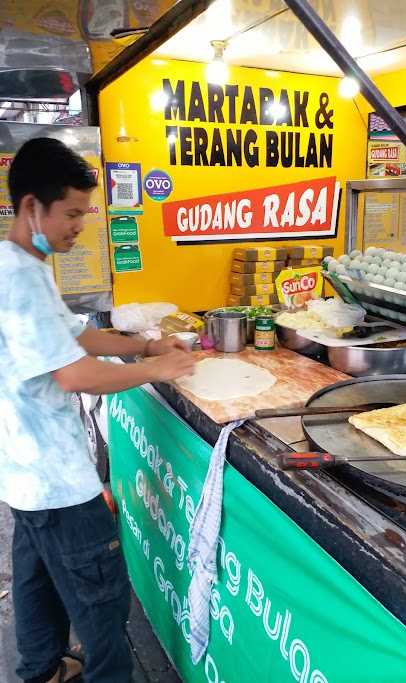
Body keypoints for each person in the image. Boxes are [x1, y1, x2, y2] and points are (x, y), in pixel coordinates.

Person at [0, 137, 196, 683]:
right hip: (61, 485)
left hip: (23, 477)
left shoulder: (20, 264)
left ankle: (41, 670)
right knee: (104, 609)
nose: (80, 225)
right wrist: (155, 371)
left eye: (85, 213)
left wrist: (148, 346)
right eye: (71, 213)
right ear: (31, 207)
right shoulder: (18, 278)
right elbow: (74, 374)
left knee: (36, 584)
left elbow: (80, 337)